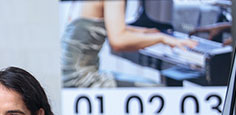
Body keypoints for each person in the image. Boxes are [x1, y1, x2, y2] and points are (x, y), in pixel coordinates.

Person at [61, 0, 197, 87]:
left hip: (67, 73)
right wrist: (162, 38)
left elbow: (102, 25)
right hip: (80, 79)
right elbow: (118, 41)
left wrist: (145, 32)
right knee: (157, 90)